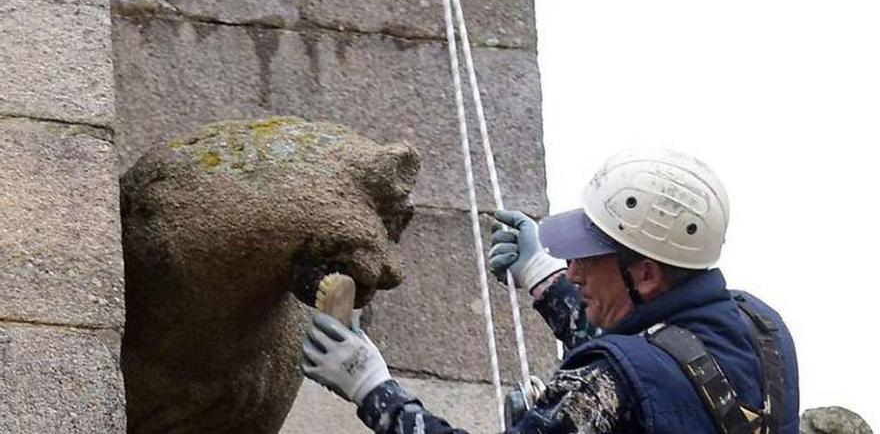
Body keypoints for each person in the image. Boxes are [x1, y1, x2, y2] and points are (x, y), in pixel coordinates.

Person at [300, 148, 800, 433]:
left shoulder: (601, 386)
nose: (573, 269)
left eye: (588, 258)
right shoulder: (759, 328)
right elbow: (662, 367)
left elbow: (627, 380)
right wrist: (545, 281)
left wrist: (373, 389)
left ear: (645, 275)